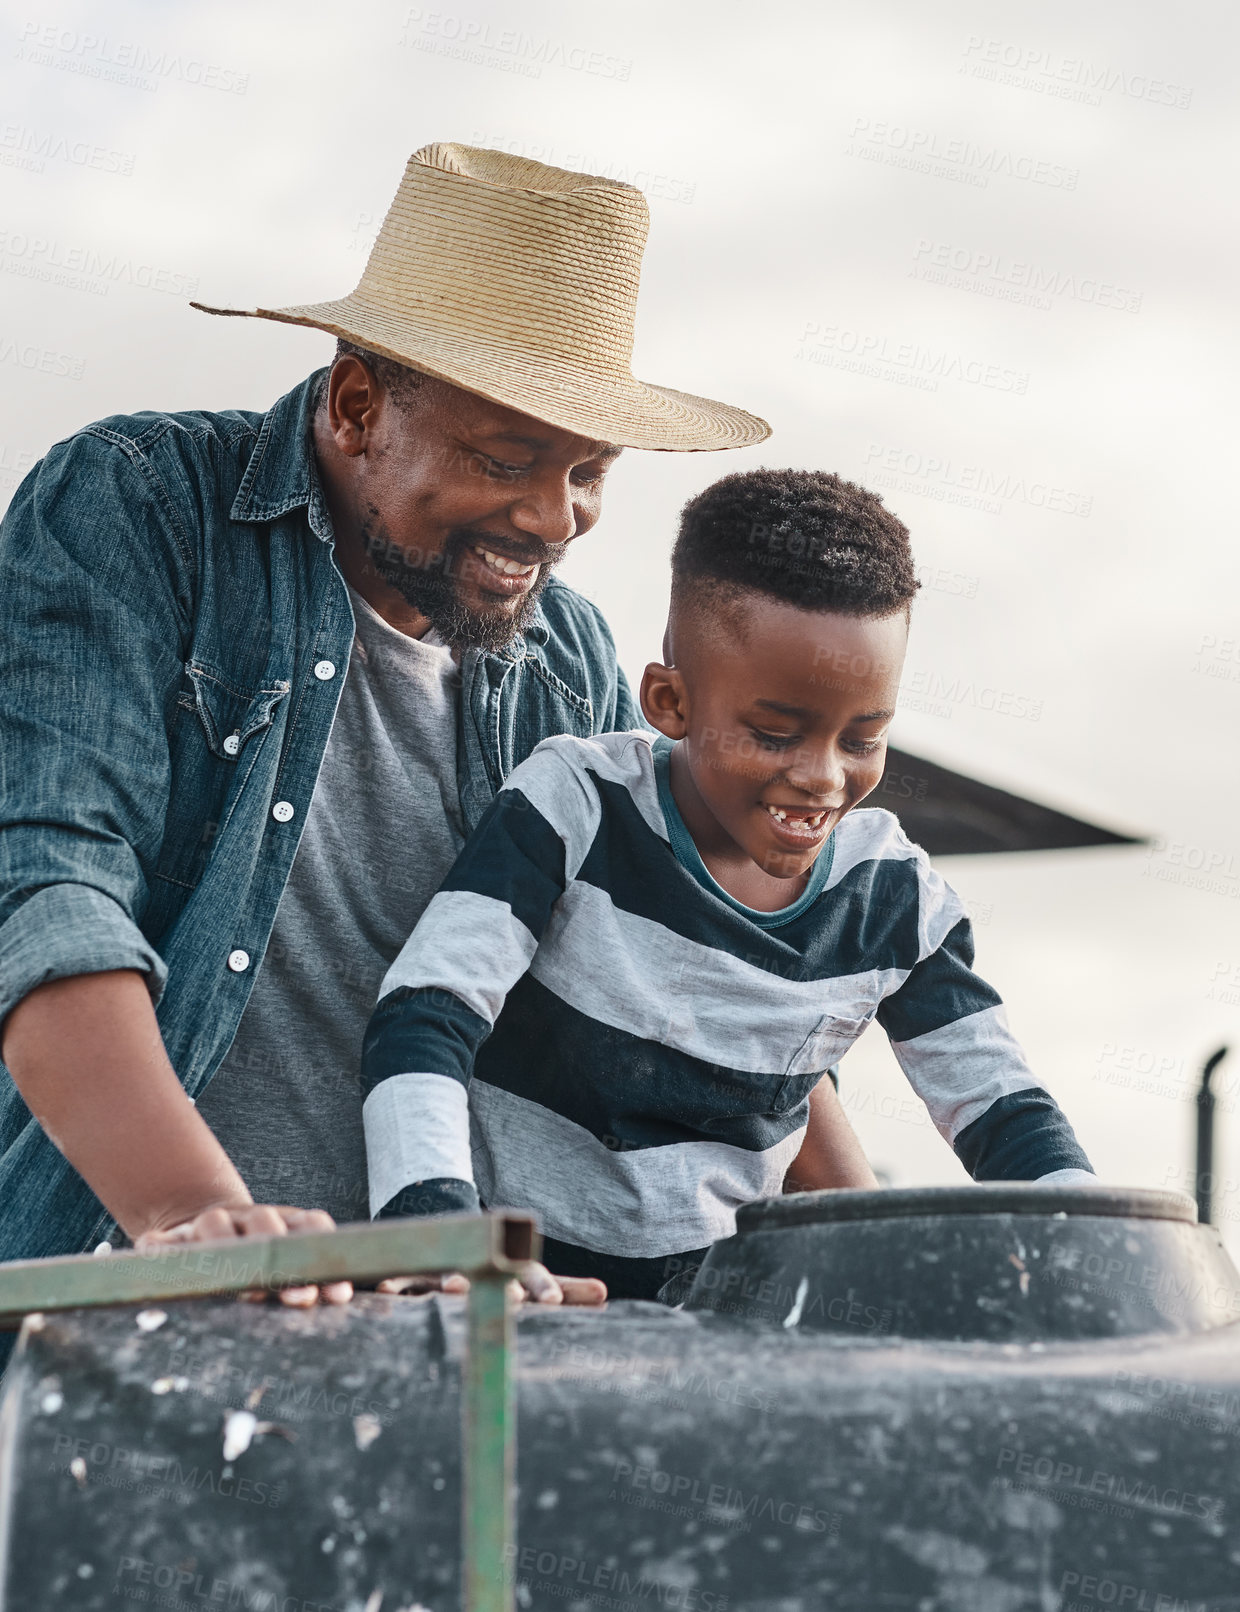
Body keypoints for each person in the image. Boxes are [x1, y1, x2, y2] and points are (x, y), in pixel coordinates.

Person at [0, 141, 831, 1328]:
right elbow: (46, 883)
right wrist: (190, 1218)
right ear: (353, 408)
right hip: (110, 1324)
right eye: (506, 461)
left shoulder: (572, 660)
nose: (553, 518)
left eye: (589, 471)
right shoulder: (138, 509)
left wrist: (873, 1243)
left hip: (440, 1352)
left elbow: (693, 962)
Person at [359, 469, 1095, 1300]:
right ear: (670, 702)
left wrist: (1091, 1251)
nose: (821, 777)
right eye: (775, 734)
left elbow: (999, 1105)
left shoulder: (892, 897)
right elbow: (426, 1012)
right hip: (528, 1298)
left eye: (863, 739)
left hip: (727, 1319)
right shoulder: (575, 805)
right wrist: (434, 1230)